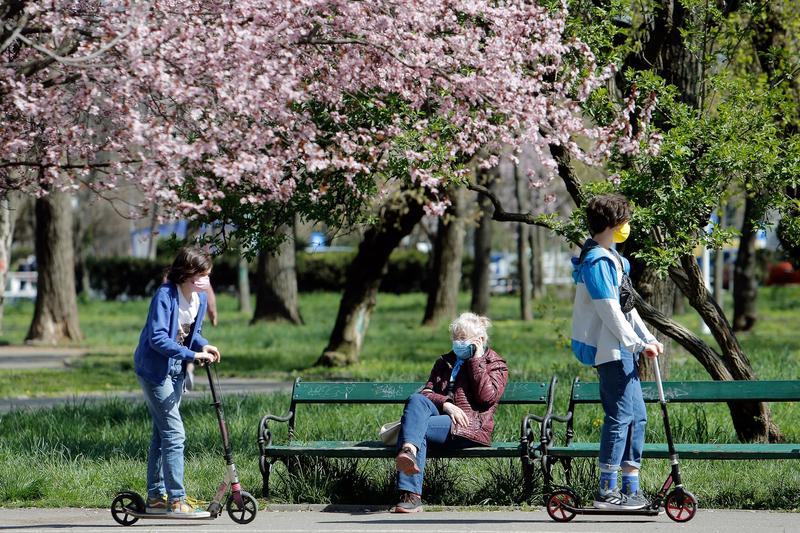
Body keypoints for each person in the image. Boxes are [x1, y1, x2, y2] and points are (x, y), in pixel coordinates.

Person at [570, 193, 663, 510]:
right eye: (625, 221)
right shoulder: (597, 262)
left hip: (624, 350)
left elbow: (627, 308)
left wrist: (647, 337)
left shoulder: (614, 260)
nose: (628, 227)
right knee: (620, 417)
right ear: (612, 225)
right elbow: (608, 310)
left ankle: (630, 489)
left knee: (637, 417)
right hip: (610, 352)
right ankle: (607, 492)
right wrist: (636, 343)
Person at [134, 246, 221, 517]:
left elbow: (192, 334)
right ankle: (176, 500)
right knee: (175, 433)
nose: (205, 280)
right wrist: (192, 355)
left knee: (162, 434)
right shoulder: (165, 295)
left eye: (207, 275)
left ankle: (155, 498)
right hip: (155, 370)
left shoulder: (200, 299)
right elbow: (158, 338)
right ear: (187, 273)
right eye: (201, 274)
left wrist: (204, 346)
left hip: (175, 370)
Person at [392, 312, 508, 513]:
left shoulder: (495, 365)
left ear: (479, 340)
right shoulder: (444, 361)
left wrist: (476, 359)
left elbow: (486, 398)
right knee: (416, 399)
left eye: (462, 339)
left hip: (470, 426)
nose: (457, 343)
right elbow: (427, 392)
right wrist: (446, 404)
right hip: (442, 420)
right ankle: (409, 451)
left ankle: (410, 496)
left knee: (416, 428)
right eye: (455, 338)